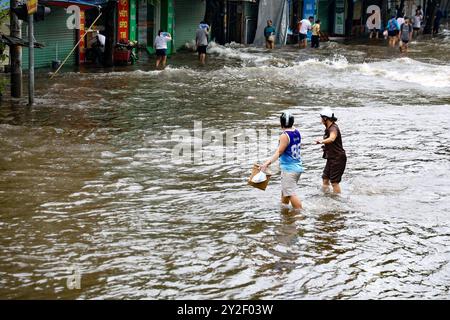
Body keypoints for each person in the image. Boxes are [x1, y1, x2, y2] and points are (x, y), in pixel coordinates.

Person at [260, 112, 304, 210]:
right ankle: (284, 212)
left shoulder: (284, 135)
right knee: (286, 191)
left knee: (291, 193)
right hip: (297, 167)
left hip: (289, 170)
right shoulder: (296, 131)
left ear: (281, 123)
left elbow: (279, 152)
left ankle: (300, 214)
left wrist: (267, 163)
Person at [315, 108, 346, 194]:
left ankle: (338, 200)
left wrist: (321, 141)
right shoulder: (328, 128)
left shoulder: (333, 128)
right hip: (331, 158)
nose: (321, 120)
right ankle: (326, 196)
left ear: (325, 118)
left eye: (321, 118)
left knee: (334, 182)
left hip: (338, 158)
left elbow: (332, 138)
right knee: (325, 178)